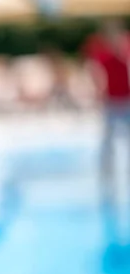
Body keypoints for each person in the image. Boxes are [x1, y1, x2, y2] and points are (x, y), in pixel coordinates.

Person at [83, 18, 130, 201]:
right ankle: (107, 174)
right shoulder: (101, 51)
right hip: (111, 101)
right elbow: (94, 70)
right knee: (108, 142)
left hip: (126, 100)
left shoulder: (125, 47)